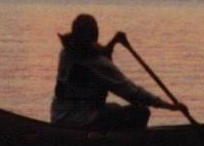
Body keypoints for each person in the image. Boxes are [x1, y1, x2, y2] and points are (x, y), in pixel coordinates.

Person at [49, 13, 181, 128]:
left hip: (58, 117)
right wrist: (168, 106)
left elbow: (95, 54)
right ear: (95, 36)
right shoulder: (98, 63)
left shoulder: (66, 52)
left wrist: (112, 43)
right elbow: (132, 92)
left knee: (114, 107)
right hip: (82, 120)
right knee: (140, 112)